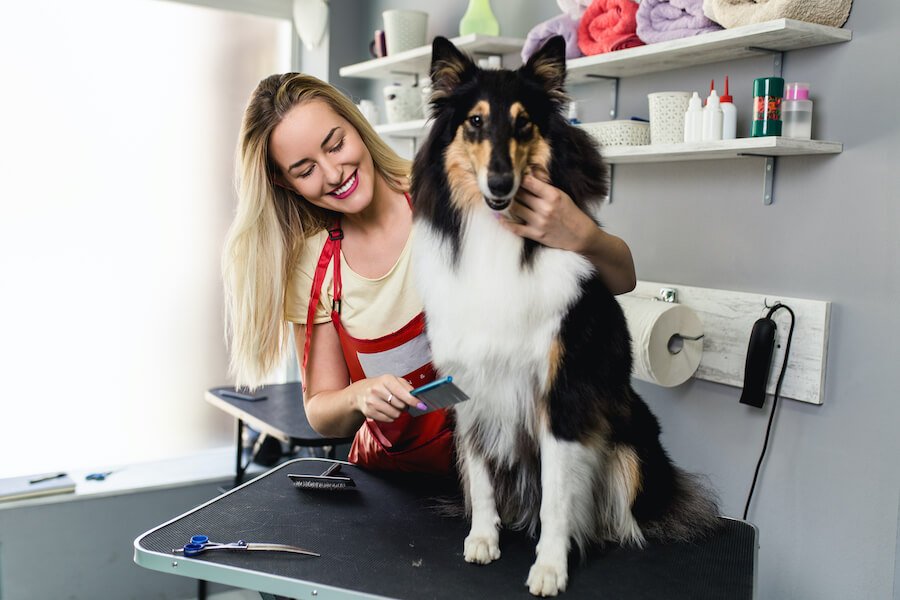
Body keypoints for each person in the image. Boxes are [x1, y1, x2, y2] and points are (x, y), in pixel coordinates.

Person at [222, 73, 636, 474]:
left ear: (356, 124)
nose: (333, 173)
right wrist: (357, 396)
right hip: (396, 479)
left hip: (501, 470)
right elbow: (321, 411)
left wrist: (582, 234)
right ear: (285, 182)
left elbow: (621, 279)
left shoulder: (455, 195)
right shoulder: (315, 267)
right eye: (305, 169)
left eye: (336, 144)